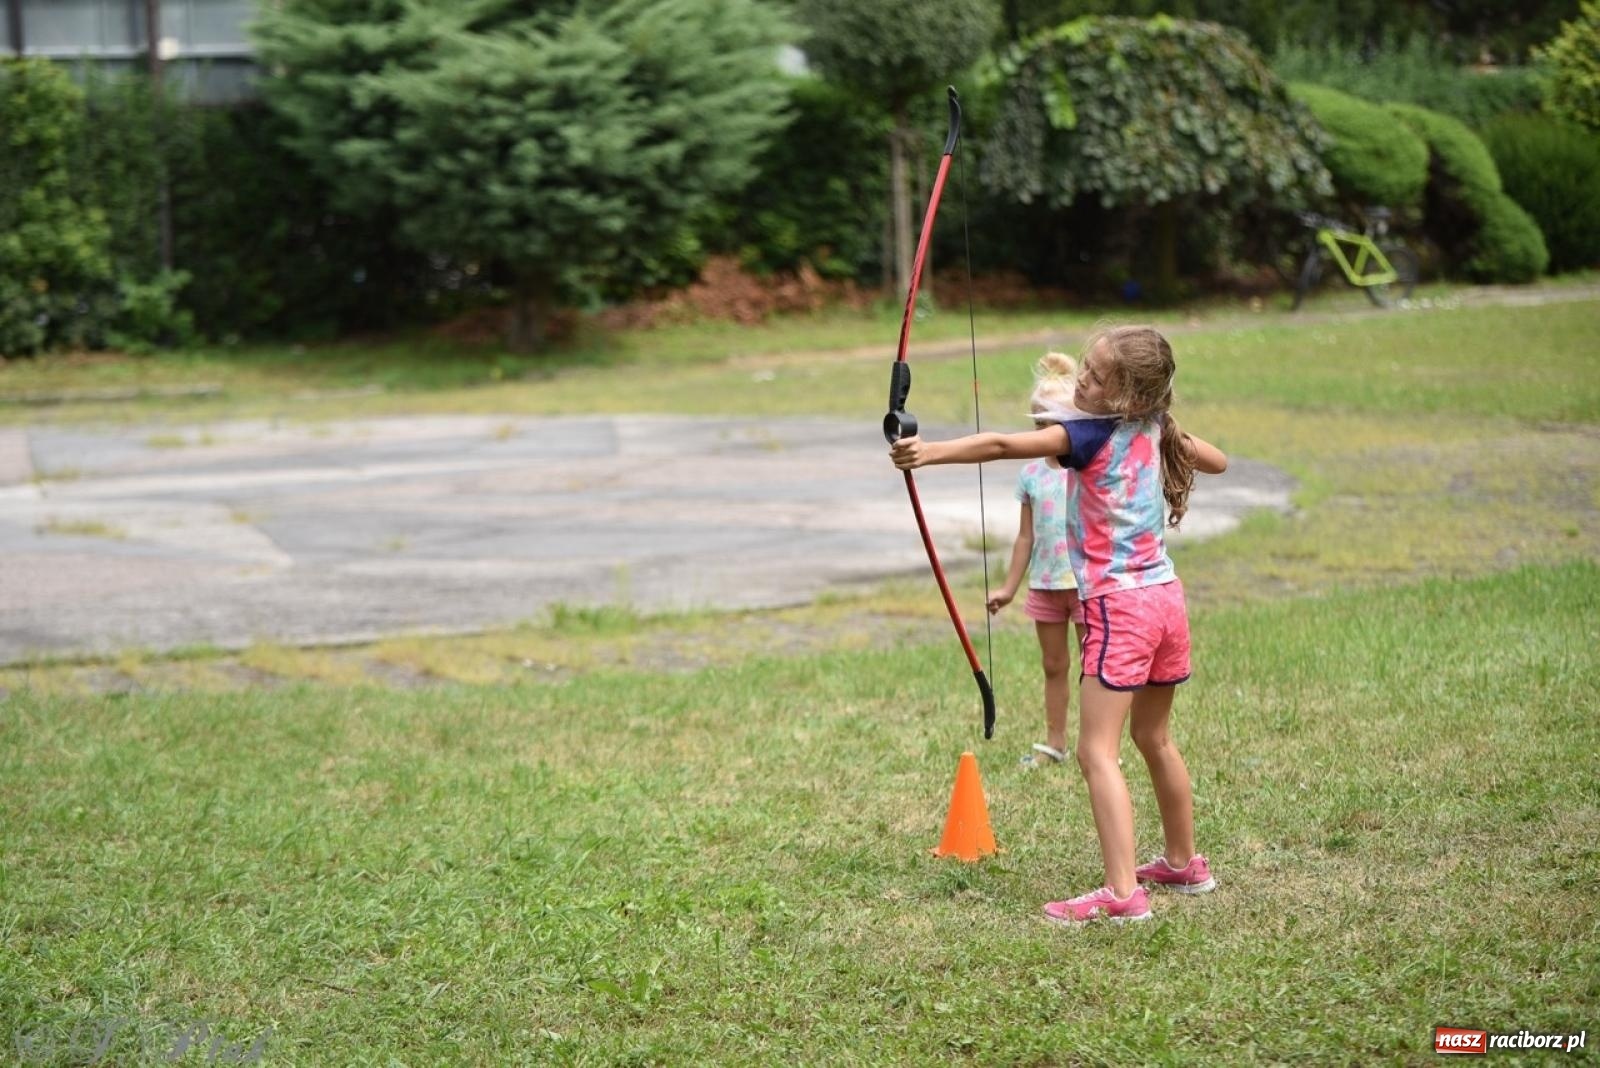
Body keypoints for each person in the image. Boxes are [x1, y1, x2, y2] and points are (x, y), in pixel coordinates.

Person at [890, 325, 1228, 925]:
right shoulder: (1156, 425)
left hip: (1119, 609)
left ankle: (1122, 893)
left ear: (1126, 395)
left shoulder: (1088, 434)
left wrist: (928, 452)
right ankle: (1183, 861)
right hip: (1164, 601)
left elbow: (999, 445)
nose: (1082, 382)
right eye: (1085, 371)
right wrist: (1167, 429)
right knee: (1154, 739)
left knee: (1095, 750)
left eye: (1096, 377)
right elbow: (1219, 461)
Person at [988, 352, 1086, 771]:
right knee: (1053, 665)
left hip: (1086, 585)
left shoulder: (1086, 466)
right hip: (1046, 585)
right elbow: (1025, 536)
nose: (1044, 432)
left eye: (1054, 423)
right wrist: (1009, 588)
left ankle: (1098, 746)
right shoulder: (1030, 474)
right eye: (1038, 423)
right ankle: (1056, 742)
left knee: (1096, 670)